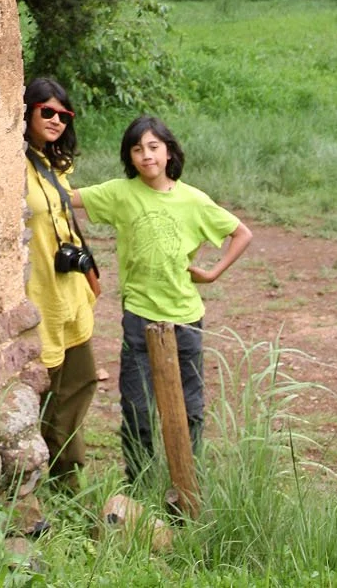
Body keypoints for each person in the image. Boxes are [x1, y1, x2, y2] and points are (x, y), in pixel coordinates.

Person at [72, 114, 252, 487]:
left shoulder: (194, 200)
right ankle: (139, 486)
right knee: (137, 409)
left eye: (154, 147)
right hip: (139, 316)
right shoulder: (121, 194)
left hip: (186, 318)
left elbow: (241, 233)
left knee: (190, 410)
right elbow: (66, 199)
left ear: (169, 152)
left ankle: (186, 482)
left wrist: (214, 272)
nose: (146, 156)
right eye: (137, 149)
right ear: (130, 156)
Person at [22, 76, 102, 478]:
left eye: (63, 115)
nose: (56, 120)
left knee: (80, 382)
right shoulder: (11, 163)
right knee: (39, 392)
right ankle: (33, 479)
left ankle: (68, 475)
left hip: (69, 294)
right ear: (27, 112)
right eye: (47, 112)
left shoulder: (55, 164)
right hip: (38, 296)